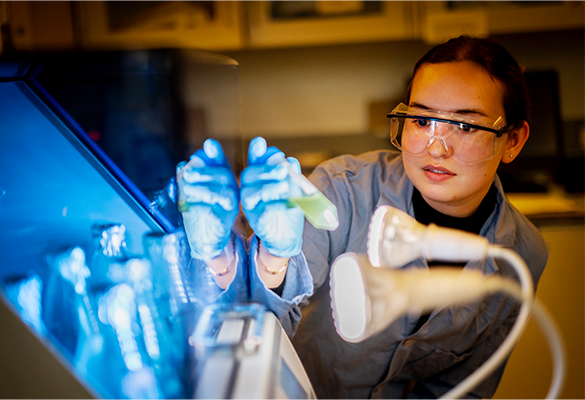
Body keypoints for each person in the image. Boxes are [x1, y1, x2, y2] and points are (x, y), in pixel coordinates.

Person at [177, 35, 548, 399]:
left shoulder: (521, 254)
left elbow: (464, 388)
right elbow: (259, 323)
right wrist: (262, 261)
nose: (436, 147)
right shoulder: (343, 190)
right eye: (421, 121)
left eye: (466, 126)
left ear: (512, 141)